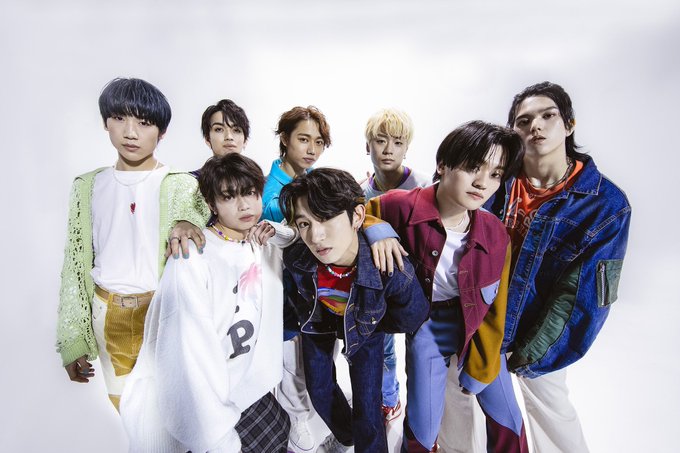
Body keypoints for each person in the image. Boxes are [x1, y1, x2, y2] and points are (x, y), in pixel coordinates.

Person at [440, 82, 632, 453]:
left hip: (538, 332)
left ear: (569, 124)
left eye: (548, 116)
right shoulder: (494, 179)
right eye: (524, 120)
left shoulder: (606, 204)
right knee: (459, 403)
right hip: (472, 316)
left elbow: (582, 294)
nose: (536, 126)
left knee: (551, 411)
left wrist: (537, 352)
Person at [365, 120, 529, 453]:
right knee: (423, 427)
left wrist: (484, 364)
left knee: (507, 417)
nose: (482, 182)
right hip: (429, 324)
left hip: (480, 326)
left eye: (496, 174)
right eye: (473, 168)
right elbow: (359, 212)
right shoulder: (402, 205)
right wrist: (377, 229)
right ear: (442, 165)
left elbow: (496, 305)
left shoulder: (495, 233)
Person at [120, 153, 295, 453]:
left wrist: (274, 230)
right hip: (200, 400)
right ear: (212, 204)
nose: (244, 205)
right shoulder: (191, 256)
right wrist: (219, 441)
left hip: (243, 385)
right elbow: (188, 358)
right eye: (229, 197)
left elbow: (296, 238)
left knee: (280, 430)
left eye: (251, 193)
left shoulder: (257, 242)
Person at [55, 77, 210, 410]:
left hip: (164, 313)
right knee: (130, 413)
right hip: (108, 315)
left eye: (144, 122)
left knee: (176, 414)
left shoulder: (181, 184)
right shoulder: (87, 186)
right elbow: (75, 265)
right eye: (119, 118)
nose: (130, 132)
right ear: (105, 122)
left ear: (162, 132)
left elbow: (203, 223)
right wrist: (72, 339)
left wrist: (190, 222)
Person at [279, 168, 429, 453]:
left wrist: (373, 322)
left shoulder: (388, 266)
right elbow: (293, 293)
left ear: (358, 216)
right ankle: (347, 436)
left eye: (326, 217)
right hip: (319, 322)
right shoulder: (297, 255)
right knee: (318, 389)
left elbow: (413, 315)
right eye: (305, 223)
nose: (316, 236)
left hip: (365, 327)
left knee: (368, 404)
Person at [261, 106, 332, 453]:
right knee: (291, 366)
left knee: (315, 366)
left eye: (318, 142)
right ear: (285, 139)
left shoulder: (312, 178)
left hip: (317, 292)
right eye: (304, 139)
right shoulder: (271, 195)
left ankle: (314, 421)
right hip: (285, 294)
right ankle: (297, 426)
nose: (312, 149)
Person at [361, 108, 430, 424]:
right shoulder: (361, 193)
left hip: (423, 287)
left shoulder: (424, 186)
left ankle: (423, 417)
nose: (389, 149)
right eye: (381, 140)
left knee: (421, 356)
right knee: (384, 349)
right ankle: (389, 400)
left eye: (398, 142)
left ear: (407, 148)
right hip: (381, 287)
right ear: (368, 145)